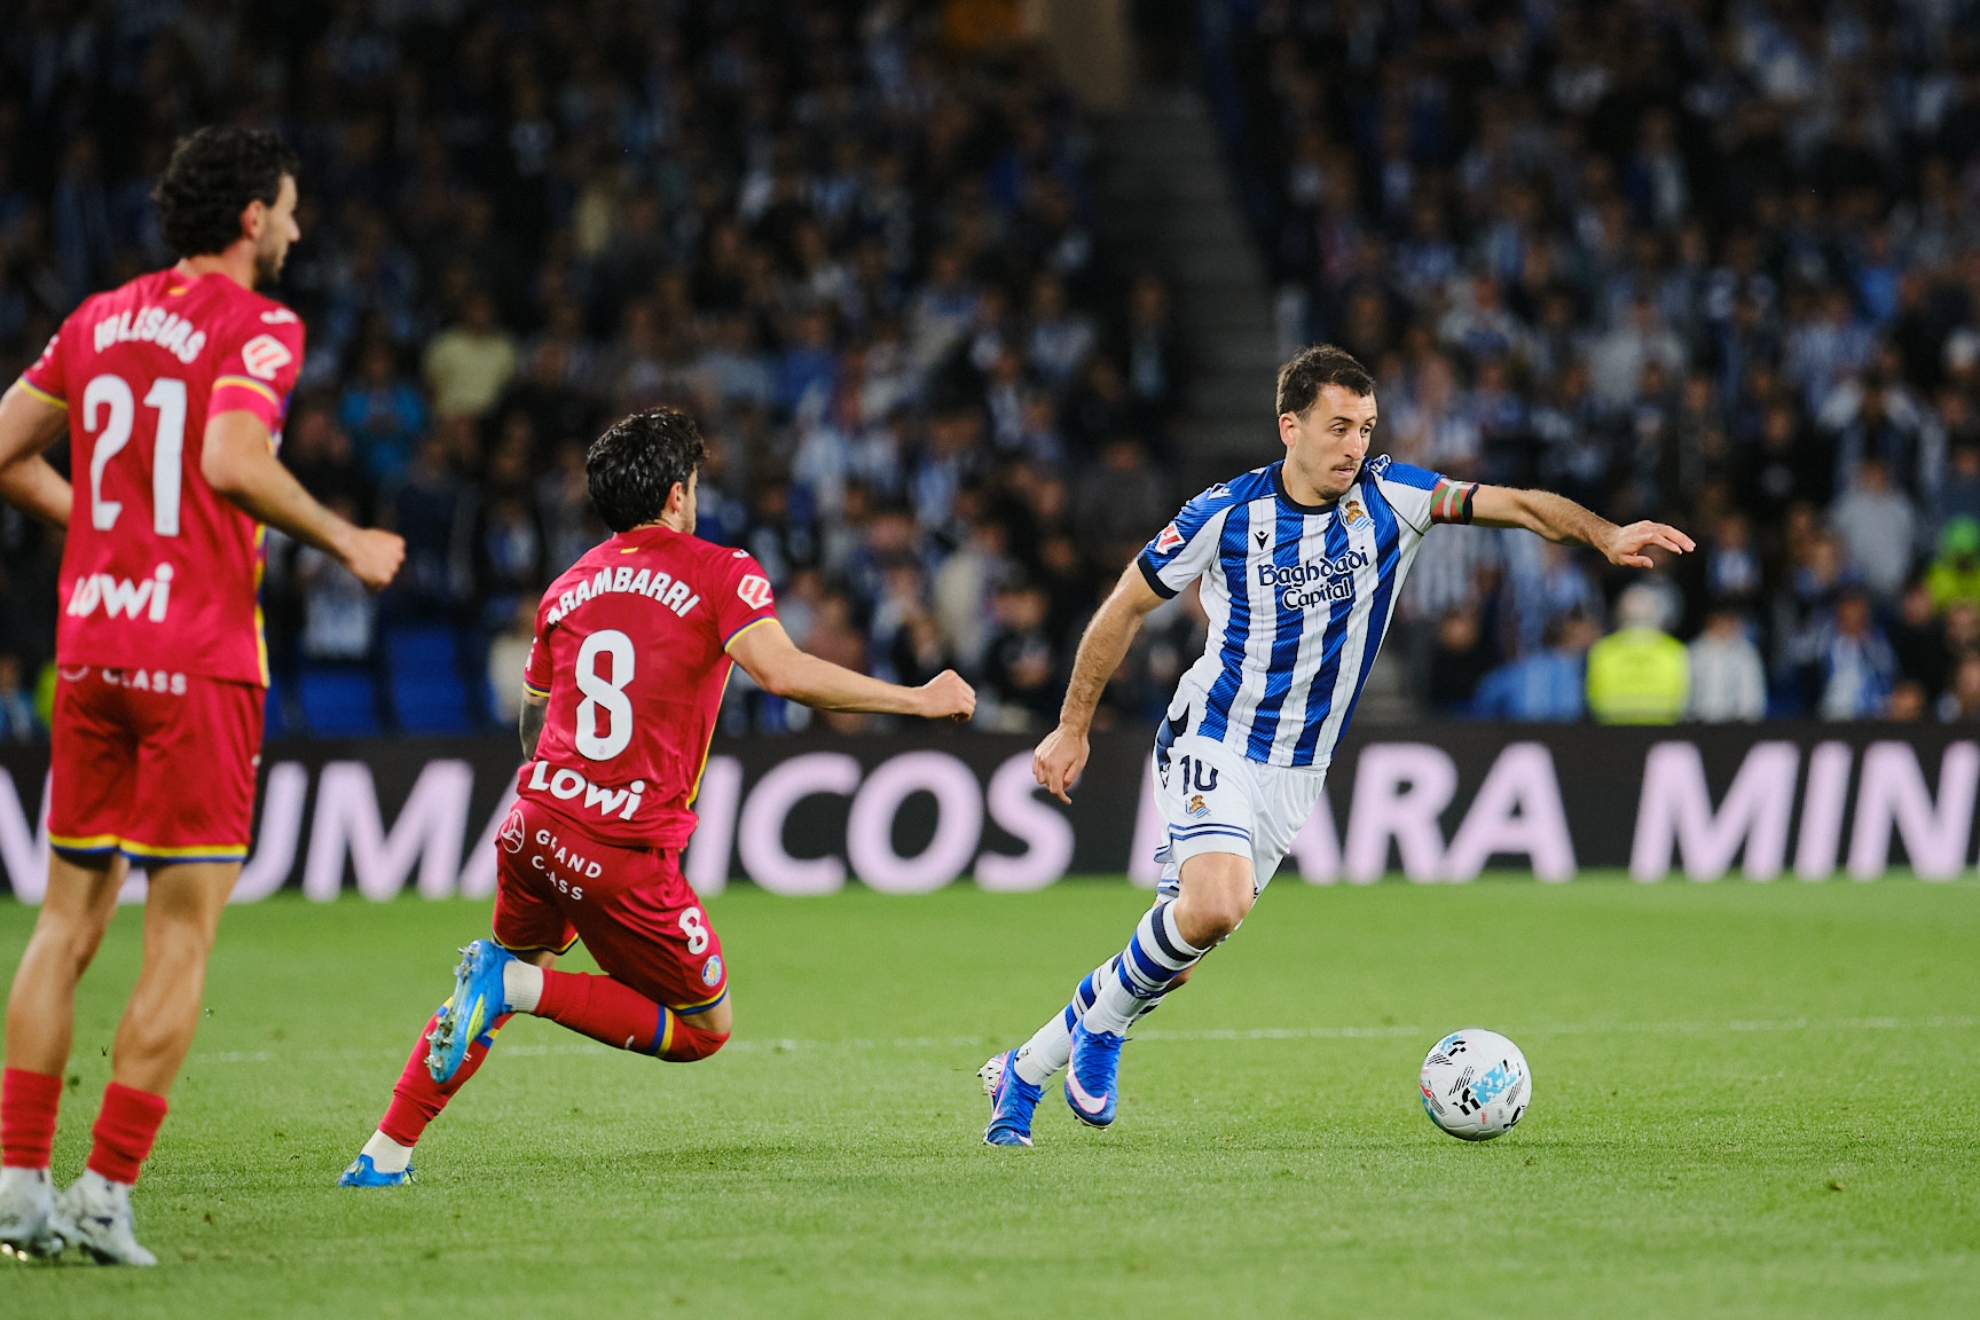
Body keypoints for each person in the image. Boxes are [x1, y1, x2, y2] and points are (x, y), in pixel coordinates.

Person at [980, 345, 1690, 1146]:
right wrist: (1073, 725)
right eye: (1339, 427)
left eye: (1367, 428)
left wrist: (1603, 535)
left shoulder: (1397, 497)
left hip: (1297, 772)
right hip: (1213, 733)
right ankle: (1104, 1034)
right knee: (1214, 906)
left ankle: (1025, 1070)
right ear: (1291, 426)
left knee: (1178, 948)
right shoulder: (1225, 513)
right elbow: (1122, 608)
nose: (1355, 445)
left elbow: (1520, 505)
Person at [339, 408, 974, 1187]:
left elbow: (534, 715)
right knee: (704, 1027)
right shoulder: (720, 570)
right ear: (677, 495)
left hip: (534, 823)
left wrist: (560, 800)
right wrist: (917, 698)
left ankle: (384, 1152)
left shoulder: (567, 587)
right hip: (624, 852)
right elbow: (783, 674)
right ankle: (517, 987)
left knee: (496, 973)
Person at [0, 127, 405, 1264]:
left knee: (63, 921)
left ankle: (15, 1188)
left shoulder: (96, 320)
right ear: (248, 219)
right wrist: (342, 536)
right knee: (179, 936)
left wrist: (103, 526)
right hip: (201, 660)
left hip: (90, 653)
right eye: (288, 208)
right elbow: (230, 458)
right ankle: (101, 1197)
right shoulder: (260, 324)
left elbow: (3, 448)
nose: (296, 227)